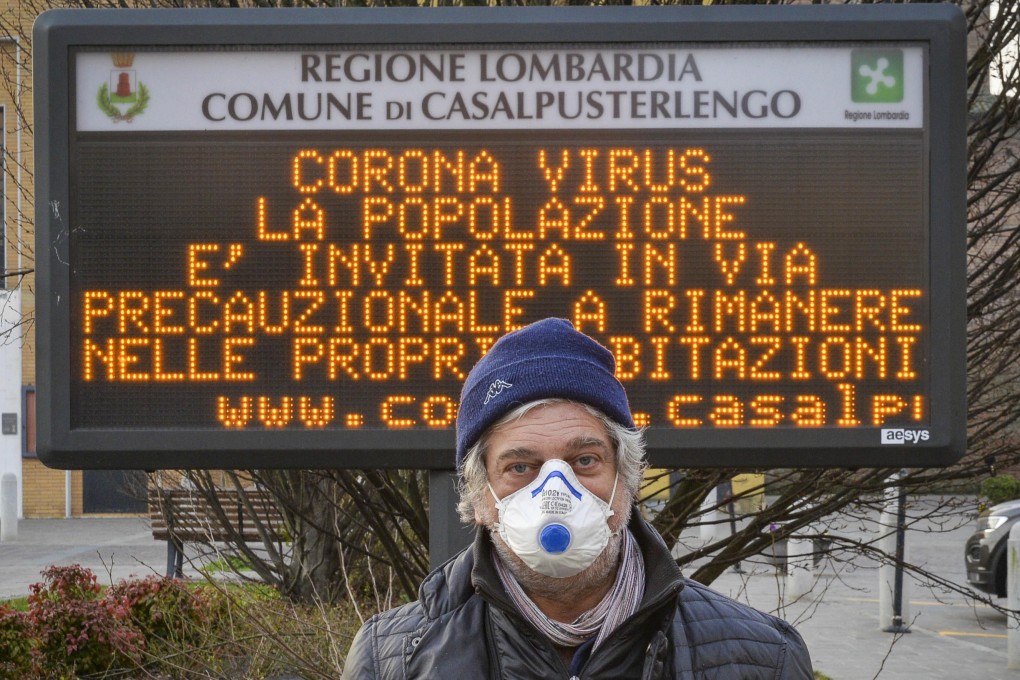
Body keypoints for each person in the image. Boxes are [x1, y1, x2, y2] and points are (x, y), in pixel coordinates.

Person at [343, 318, 812, 679]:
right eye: (520, 467)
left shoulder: (760, 658)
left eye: (584, 461)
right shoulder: (392, 661)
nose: (555, 493)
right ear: (481, 496)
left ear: (625, 478)